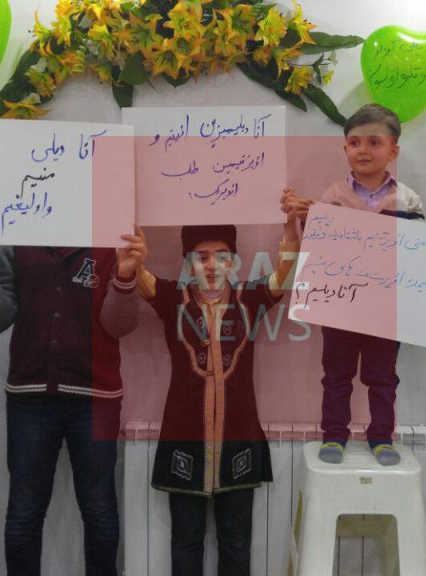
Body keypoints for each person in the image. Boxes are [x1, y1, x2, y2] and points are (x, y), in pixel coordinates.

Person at [0, 224, 146, 576]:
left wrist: (127, 275)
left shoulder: (111, 236)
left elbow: (119, 325)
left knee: (99, 510)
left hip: (96, 399)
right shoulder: (20, 236)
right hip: (30, 398)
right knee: (24, 513)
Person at [134, 195, 300, 576]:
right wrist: (131, 245)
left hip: (238, 441)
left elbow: (284, 277)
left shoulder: (249, 300)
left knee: (237, 543)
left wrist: (290, 231)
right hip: (185, 441)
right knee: (185, 542)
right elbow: (137, 276)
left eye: (221, 256)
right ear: (188, 262)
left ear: (234, 261)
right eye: (202, 256)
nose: (211, 265)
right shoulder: (172, 299)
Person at [283, 103, 424, 466]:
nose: (363, 150)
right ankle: (334, 435)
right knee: (336, 375)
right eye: (354, 142)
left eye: (374, 142)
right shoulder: (332, 196)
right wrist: (306, 219)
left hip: (386, 310)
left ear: (393, 151)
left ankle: (382, 438)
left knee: (383, 378)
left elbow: (420, 253)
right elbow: (318, 251)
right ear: (345, 148)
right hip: (339, 307)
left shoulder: (407, 199)